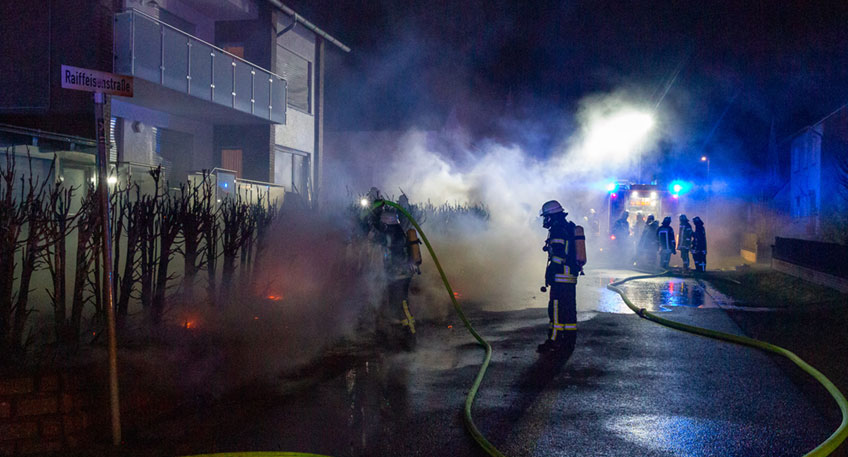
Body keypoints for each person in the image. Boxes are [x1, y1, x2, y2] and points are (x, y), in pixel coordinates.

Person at [537, 200, 585, 354]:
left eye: (547, 216)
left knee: (556, 310)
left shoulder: (558, 230)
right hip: (570, 276)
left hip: (561, 277)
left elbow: (558, 255)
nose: (546, 220)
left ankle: (555, 341)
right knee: (569, 310)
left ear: (552, 216)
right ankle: (569, 342)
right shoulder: (569, 227)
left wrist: (551, 271)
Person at [371, 208, 419, 350]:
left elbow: (379, 234)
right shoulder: (396, 232)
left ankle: (411, 337)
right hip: (396, 275)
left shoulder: (394, 235)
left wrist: (375, 214)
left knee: (402, 305)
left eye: (383, 223)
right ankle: (402, 335)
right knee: (396, 305)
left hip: (400, 275)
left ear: (387, 223)